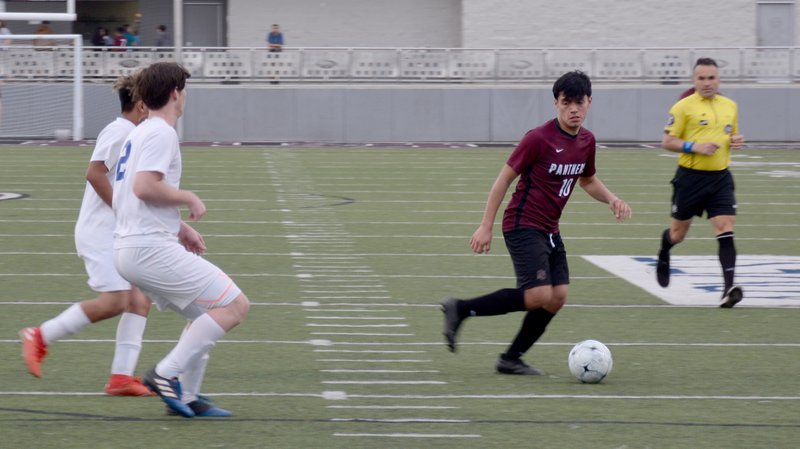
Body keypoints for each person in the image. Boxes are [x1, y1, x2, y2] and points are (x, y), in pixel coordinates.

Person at [440, 71, 632, 375]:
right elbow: (503, 179)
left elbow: (588, 180)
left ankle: (510, 358)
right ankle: (460, 309)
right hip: (522, 223)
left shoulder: (586, 141)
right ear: (555, 103)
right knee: (539, 294)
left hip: (550, 229)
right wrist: (485, 225)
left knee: (557, 297)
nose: (574, 109)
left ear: (589, 102)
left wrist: (612, 199)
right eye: (566, 102)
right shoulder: (538, 138)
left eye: (579, 102)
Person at [112, 62, 250, 417]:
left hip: (134, 246)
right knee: (235, 306)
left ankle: (187, 397)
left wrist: (179, 227)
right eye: (184, 90)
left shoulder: (140, 132)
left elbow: (133, 195)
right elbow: (144, 188)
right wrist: (188, 197)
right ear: (175, 93)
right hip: (148, 248)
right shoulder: (161, 132)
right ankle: (164, 374)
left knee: (206, 311)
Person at [20, 74, 153, 396]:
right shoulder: (120, 130)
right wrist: (122, 210)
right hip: (100, 231)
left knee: (139, 301)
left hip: (117, 230)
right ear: (141, 104)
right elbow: (94, 173)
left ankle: (121, 378)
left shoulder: (135, 132)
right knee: (115, 302)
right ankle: (39, 335)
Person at [656, 57, 745, 308]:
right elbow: (667, 141)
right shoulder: (683, 107)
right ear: (694, 81)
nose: (707, 83)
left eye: (711, 78)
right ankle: (664, 252)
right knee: (678, 234)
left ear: (718, 80)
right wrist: (695, 147)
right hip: (690, 179)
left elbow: (731, 135)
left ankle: (729, 289)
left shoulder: (730, 106)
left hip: (720, 178)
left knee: (725, 227)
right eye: (701, 78)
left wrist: (735, 140)